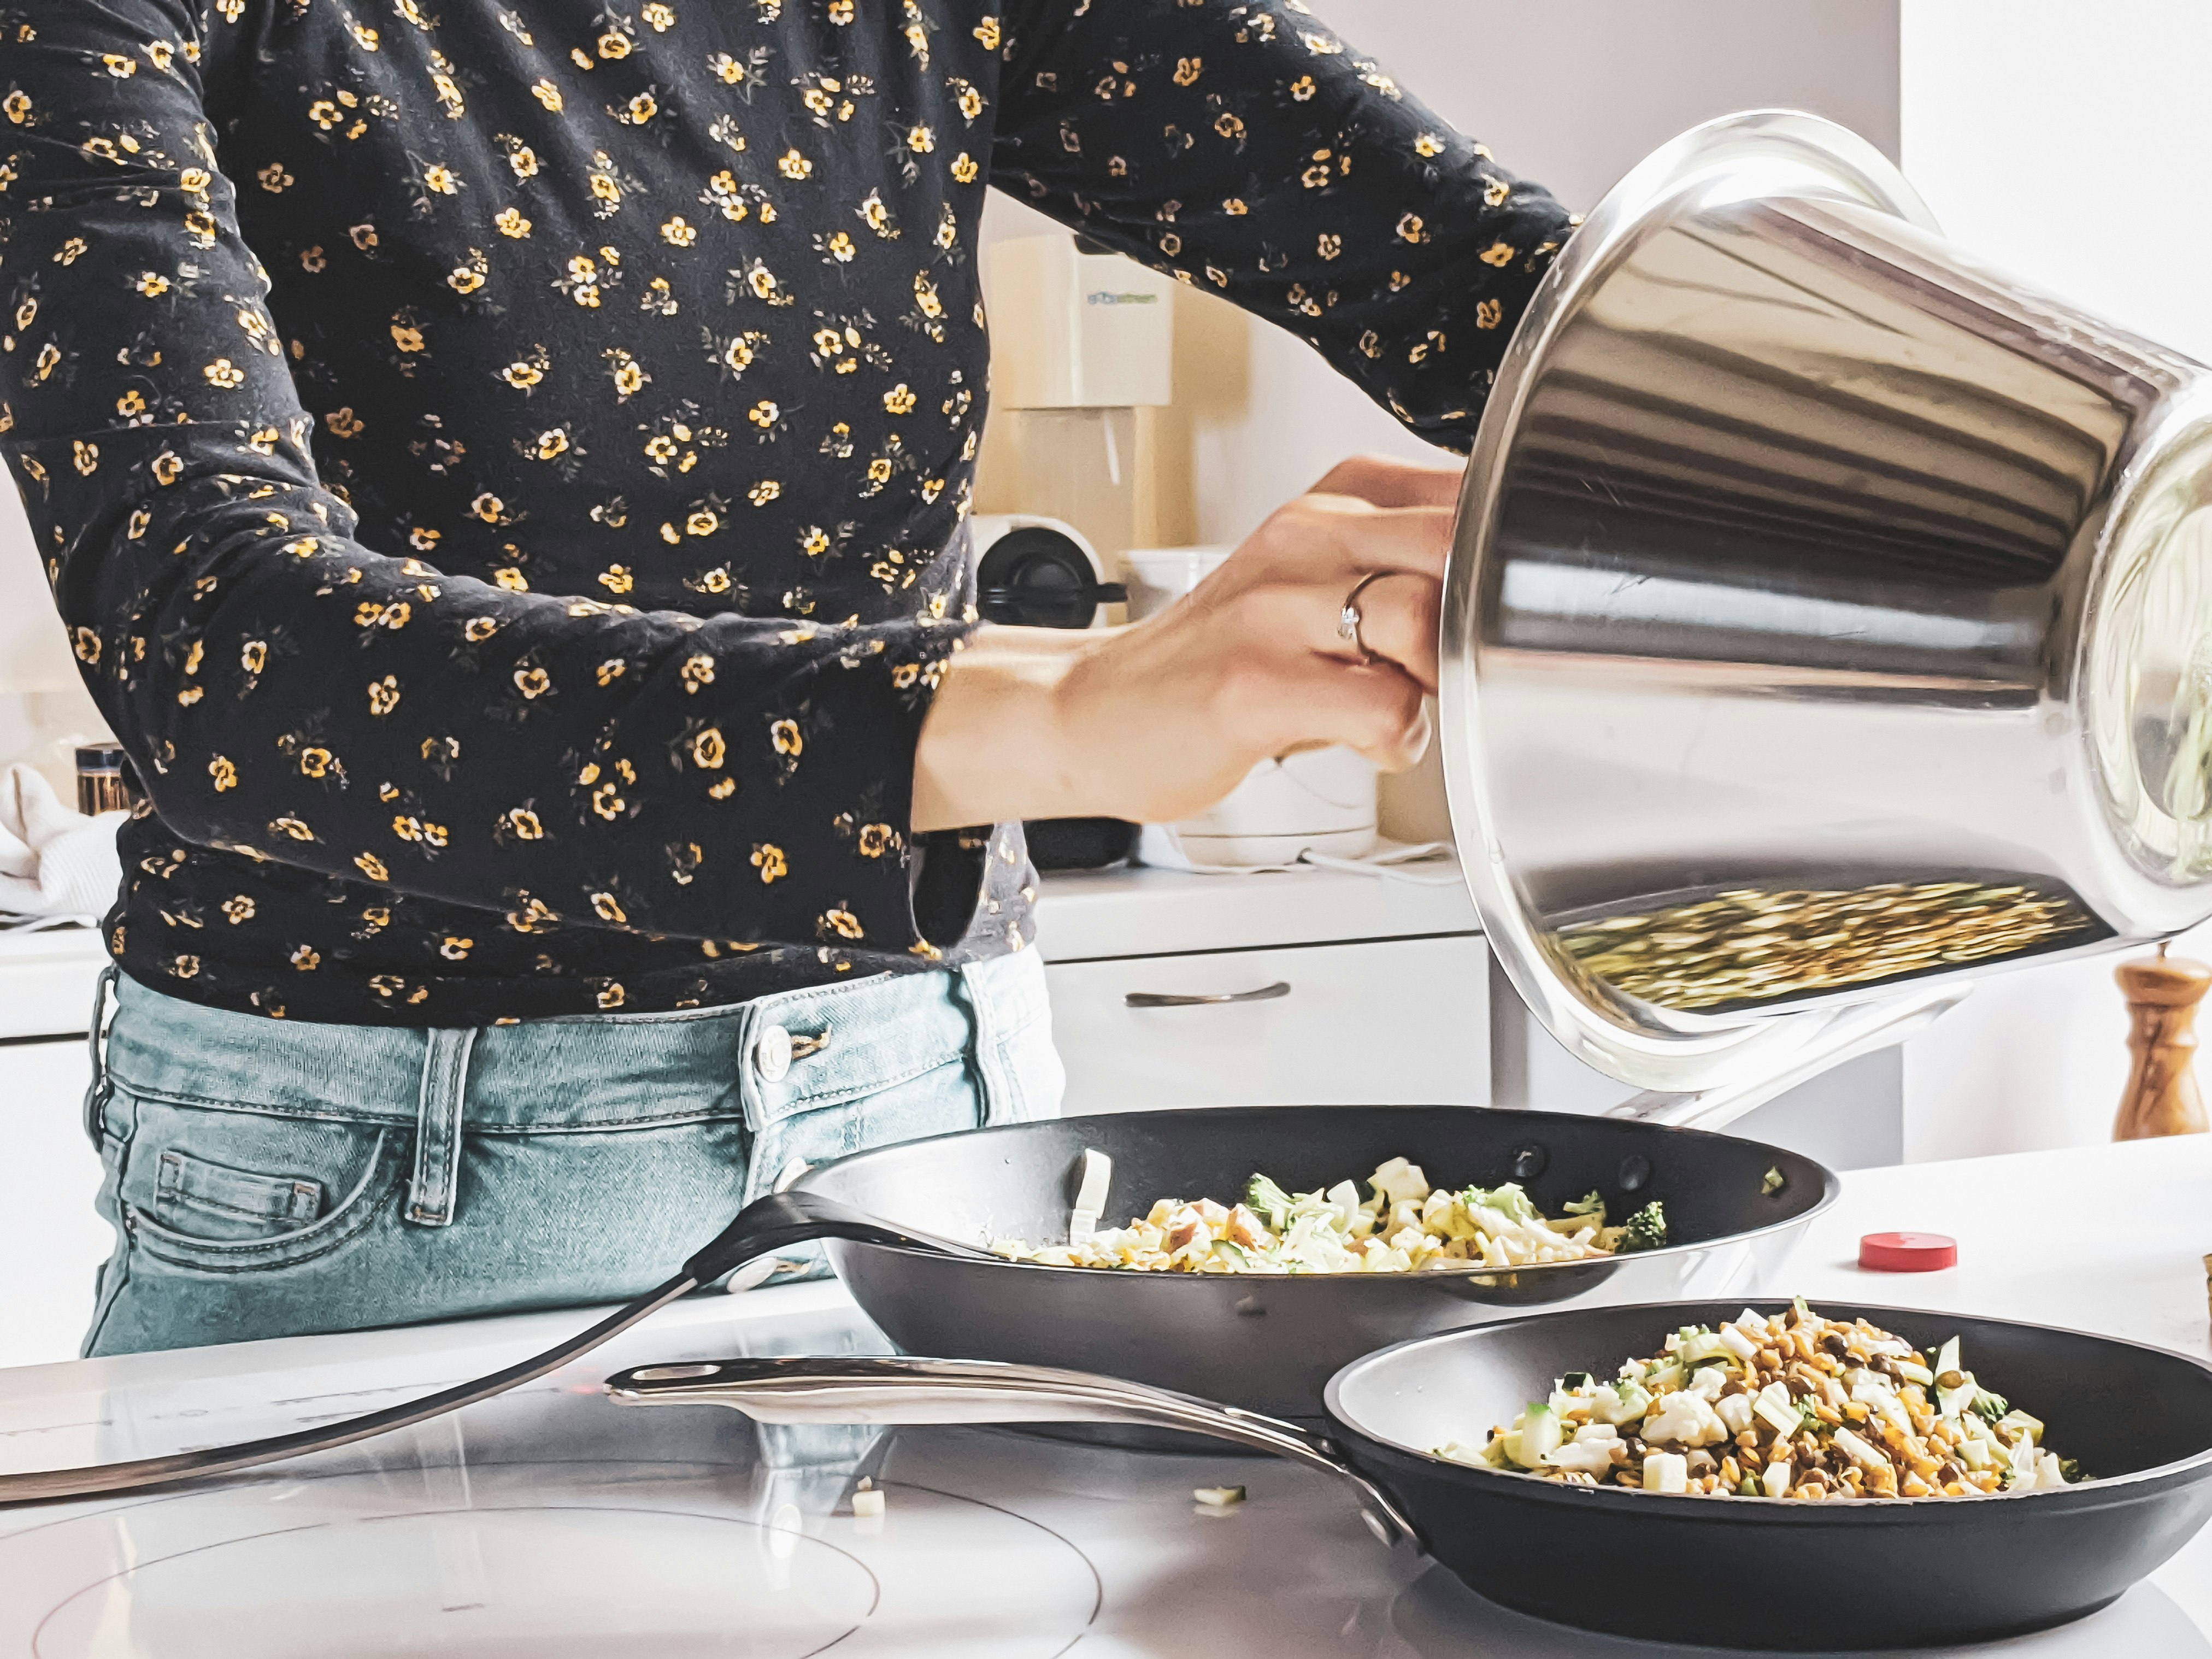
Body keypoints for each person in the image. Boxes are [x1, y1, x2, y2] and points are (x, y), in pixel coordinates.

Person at [0, 0, 1572, 1354]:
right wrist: (1061, 713)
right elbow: (219, 642)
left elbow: (1493, 287)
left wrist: (1767, 455)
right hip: (380, 1173)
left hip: (937, 1113)